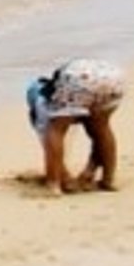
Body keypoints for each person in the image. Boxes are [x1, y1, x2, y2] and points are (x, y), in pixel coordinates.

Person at [26, 58, 125, 192]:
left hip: (79, 80)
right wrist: (90, 169)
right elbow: (98, 139)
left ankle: (53, 185)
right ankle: (108, 180)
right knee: (102, 129)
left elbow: (50, 143)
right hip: (113, 78)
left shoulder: (42, 106)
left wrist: (65, 178)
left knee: (56, 129)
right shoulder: (69, 96)